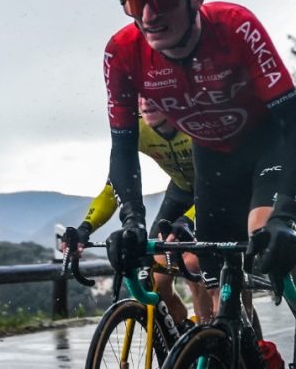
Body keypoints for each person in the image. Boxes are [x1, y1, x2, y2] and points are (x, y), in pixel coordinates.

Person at [102, 0, 296, 366]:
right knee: (216, 283)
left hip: (268, 147)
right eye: (134, 0)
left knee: (266, 239)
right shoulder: (122, 52)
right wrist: (132, 220)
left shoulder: (235, 26)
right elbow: (122, 147)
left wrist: (285, 217)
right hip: (212, 159)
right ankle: (244, 351)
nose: (147, 15)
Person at [67, 97, 211, 327]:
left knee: (195, 266)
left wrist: (188, 222)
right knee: (154, 278)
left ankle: (212, 335)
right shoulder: (140, 127)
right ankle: (182, 333)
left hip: (216, 190)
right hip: (181, 194)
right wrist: (86, 227)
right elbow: (113, 189)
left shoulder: (194, 122)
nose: (143, 102)